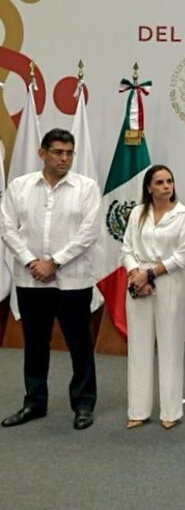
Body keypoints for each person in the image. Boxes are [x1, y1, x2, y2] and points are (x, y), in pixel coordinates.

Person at [0, 128, 101, 430]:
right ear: (42, 153)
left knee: (79, 343)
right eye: (58, 152)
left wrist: (54, 262)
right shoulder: (19, 186)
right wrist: (33, 262)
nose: (65, 158)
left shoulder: (86, 187)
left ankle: (83, 403)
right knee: (35, 343)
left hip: (72, 280)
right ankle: (34, 402)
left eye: (69, 152)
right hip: (31, 280)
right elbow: (7, 228)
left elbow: (89, 232)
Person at [121, 165, 185, 430]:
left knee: (170, 345)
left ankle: (171, 410)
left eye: (170, 181)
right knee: (138, 347)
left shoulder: (184, 214)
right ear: (149, 187)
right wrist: (135, 274)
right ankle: (138, 410)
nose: (166, 186)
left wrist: (149, 274)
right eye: (160, 182)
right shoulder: (137, 213)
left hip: (168, 282)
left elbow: (183, 255)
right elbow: (127, 248)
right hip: (138, 282)